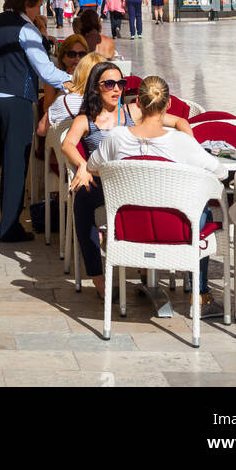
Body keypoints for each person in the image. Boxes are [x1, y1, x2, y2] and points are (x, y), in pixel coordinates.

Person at [90, 75, 228, 316]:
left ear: (138, 104)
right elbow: (221, 172)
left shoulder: (116, 137)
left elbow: (93, 166)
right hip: (175, 230)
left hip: (128, 229)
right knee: (203, 210)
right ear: (169, 105)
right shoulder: (182, 142)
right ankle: (201, 294)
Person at [62, 65, 195, 300]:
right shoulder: (86, 120)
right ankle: (99, 278)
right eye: (109, 84)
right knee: (81, 204)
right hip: (102, 181)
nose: (116, 90)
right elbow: (67, 144)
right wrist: (82, 165)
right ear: (96, 88)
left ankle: (147, 267)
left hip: (134, 182)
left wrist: (190, 146)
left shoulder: (133, 112)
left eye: (120, 84)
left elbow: (180, 122)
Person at [0, 0, 70, 243]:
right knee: (15, 163)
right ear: (27, 4)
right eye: (38, 5)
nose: (41, 11)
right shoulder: (26, 30)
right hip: (14, 99)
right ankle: (8, 227)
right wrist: (73, 81)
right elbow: (44, 69)